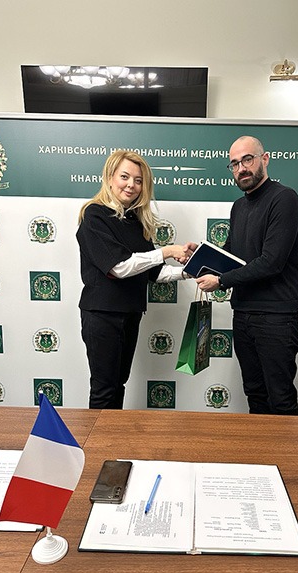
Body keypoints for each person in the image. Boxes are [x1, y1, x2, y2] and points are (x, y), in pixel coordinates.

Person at [194, 136, 298, 415]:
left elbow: (271, 262)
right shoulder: (238, 207)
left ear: (264, 159)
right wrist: (199, 257)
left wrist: (221, 281)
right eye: (234, 164)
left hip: (275, 319)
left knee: (281, 399)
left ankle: (286, 447)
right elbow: (231, 254)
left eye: (247, 159)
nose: (241, 168)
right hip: (242, 314)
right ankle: (262, 447)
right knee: (254, 394)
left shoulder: (284, 199)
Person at [77, 150, 192, 409]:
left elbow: (155, 272)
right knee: (104, 389)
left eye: (138, 180)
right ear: (110, 178)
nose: (131, 185)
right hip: (102, 314)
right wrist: (166, 251)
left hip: (130, 314)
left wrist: (191, 271)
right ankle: (100, 438)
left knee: (119, 383)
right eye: (125, 177)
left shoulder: (135, 221)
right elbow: (119, 267)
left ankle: (112, 435)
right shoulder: (94, 215)